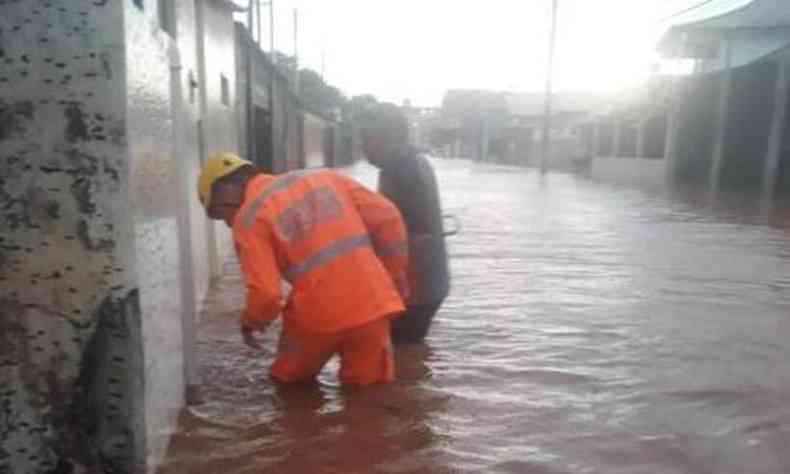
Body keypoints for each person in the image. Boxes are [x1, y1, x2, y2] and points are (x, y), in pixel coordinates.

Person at [197, 152, 410, 386]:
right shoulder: (324, 178)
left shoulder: (249, 220)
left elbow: (266, 295)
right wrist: (392, 276)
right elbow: (389, 218)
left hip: (316, 318)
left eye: (219, 213)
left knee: (289, 387)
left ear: (224, 192)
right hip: (373, 305)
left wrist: (252, 322)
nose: (227, 222)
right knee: (369, 396)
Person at [359, 103, 450, 344]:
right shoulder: (412, 161)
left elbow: (390, 227)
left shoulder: (399, 166)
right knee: (410, 356)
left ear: (385, 138)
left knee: (396, 358)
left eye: (367, 139)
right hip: (429, 284)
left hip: (415, 288)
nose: (363, 148)